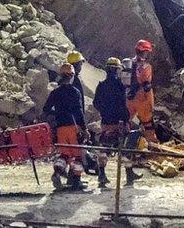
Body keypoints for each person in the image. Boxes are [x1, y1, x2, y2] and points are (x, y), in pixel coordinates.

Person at [94, 57, 140, 187]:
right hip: (119, 122)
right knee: (125, 148)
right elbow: (123, 105)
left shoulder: (101, 85)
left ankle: (102, 175)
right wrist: (126, 120)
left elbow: (96, 103)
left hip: (105, 122)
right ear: (117, 70)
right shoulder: (120, 86)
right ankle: (129, 174)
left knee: (104, 147)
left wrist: (104, 111)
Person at [44, 62, 88, 191]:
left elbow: (46, 109)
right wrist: (84, 128)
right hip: (73, 128)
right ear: (71, 76)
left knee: (64, 155)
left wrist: (57, 112)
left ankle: (57, 173)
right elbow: (79, 112)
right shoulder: (75, 92)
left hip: (60, 127)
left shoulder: (55, 92)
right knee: (77, 156)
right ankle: (76, 181)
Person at [125, 39, 157, 142]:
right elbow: (147, 86)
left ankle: (122, 145)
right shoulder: (146, 66)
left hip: (128, 98)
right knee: (148, 124)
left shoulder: (128, 64)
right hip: (141, 98)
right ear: (145, 52)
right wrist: (151, 104)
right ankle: (152, 145)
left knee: (126, 121)